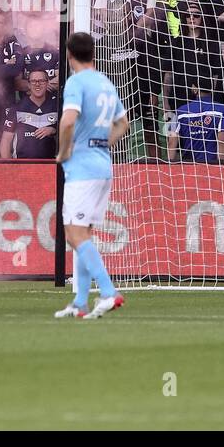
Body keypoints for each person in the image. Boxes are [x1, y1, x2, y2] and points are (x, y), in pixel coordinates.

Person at [54, 31, 129, 321]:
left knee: (73, 233)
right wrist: (101, 143)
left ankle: (109, 291)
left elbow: (68, 121)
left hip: (82, 169)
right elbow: (123, 123)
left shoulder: (76, 82)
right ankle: (80, 302)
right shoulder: (106, 84)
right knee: (83, 233)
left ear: (70, 54)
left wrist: (64, 152)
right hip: (102, 166)